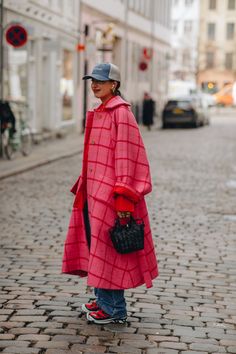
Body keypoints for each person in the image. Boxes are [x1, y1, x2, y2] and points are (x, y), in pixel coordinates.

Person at [62, 63, 158, 324]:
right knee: (98, 247)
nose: (95, 84)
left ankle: (114, 308)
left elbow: (128, 156)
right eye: (93, 80)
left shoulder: (121, 114)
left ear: (114, 84)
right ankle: (103, 297)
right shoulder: (101, 111)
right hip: (94, 192)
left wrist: (124, 196)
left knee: (110, 251)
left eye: (101, 81)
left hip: (111, 196)